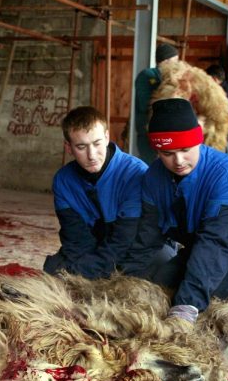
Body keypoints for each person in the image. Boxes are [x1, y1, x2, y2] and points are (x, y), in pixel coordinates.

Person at [128, 98, 228, 325]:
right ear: (157, 150)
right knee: (160, 283)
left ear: (198, 140)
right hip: (200, 246)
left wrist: (185, 307)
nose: (178, 161)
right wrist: (125, 279)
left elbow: (216, 243)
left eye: (185, 149)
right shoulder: (154, 177)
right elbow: (148, 235)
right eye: (167, 153)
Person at [43, 106, 150, 279]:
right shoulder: (63, 181)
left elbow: (125, 239)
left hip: (133, 246)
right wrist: (84, 269)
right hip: (94, 247)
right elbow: (75, 239)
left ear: (107, 137)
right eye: (81, 147)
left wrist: (84, 273)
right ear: (68, 148)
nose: (91, 155)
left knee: (157, 270)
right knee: (53, 269)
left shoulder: (136, 173)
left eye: (97, 143)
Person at [133, 43, 179, 164]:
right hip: (149, 132)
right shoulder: (147, 75)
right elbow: (144, 104)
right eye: (175, 61)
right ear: (166, 60)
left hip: (167, 132)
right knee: (151, 166)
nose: (177, 65)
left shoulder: (172, 77)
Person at [206, 64, 228, 155]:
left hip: (222, 141)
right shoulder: (226, 91)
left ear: (214, 79)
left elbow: (217, 116)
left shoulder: (222, 94)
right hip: (225, 139)